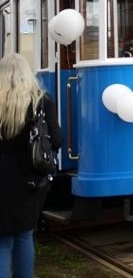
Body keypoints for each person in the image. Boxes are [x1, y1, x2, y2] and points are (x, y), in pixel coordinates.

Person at [0, 53, 62, 278]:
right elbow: (56, 141)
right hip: (31, 179)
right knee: (25, 235)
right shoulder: (41, 100)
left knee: (2, 240)